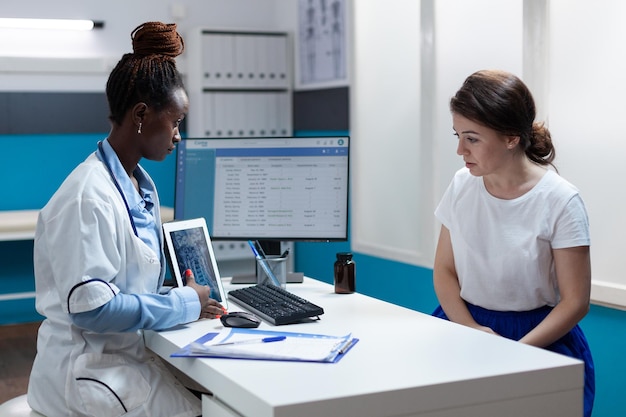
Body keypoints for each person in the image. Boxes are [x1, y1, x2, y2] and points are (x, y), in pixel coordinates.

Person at [27, 22, 225, 417]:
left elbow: (122, 284)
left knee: (213, 400)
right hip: (87, 378)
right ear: (140, 115)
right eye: (176, 121)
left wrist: (177, 297)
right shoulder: (88, 197)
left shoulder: (133, 186)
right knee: (217, 410)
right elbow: (93, 310)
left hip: (120, 363)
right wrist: (184, 303)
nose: (178, 136)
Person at [432, 69, 594, 416]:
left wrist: (515, 352)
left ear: (511, 138)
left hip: (538, 338)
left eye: (472, 138)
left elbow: (576, 302)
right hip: (465, 326)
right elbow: (445, 271)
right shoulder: (462, 185)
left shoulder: (560, 201)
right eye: (457, 135)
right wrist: (471, 329)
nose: (460, 149)